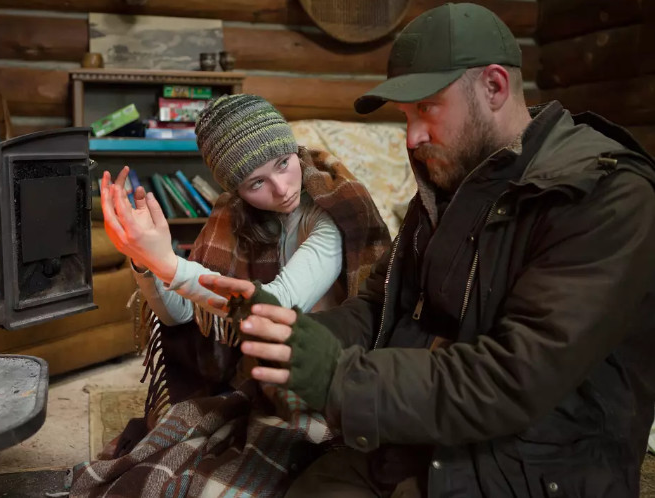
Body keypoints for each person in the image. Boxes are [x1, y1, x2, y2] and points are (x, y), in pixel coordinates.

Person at [198, 3, 655, 497]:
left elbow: (514, 377)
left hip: (539, 464)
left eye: (427, 108)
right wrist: (289, 332)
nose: (411, 137)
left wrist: (339, 377)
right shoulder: (448, 180)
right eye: (405, 115)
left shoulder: (608, 196)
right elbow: (381, 307)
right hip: (420, 432)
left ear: (495, 87)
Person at [69, 94, 391, 496]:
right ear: (237, 189)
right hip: (261, 367)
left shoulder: (332, 214)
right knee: (165, 459)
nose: (282, 188)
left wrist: (168, 262)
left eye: (283, 164)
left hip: (329, 369)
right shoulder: (232, 217)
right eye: (256, 182)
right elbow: (178, 316)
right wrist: (144, 261)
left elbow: (275, 305)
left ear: (294, 151)